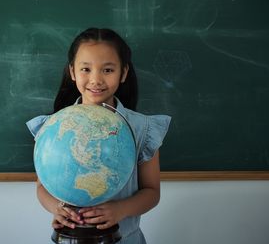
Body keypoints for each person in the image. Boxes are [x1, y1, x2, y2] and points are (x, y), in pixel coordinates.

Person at [26, 28, 171, 243]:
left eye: (108, 70)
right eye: (85, 69)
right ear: (72, 72)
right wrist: (56, 209)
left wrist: (121, 209)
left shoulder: (142, 129)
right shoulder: (54, 127)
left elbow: (152, 192)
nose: (95, 79)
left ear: (123, 73)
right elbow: (41, 187)